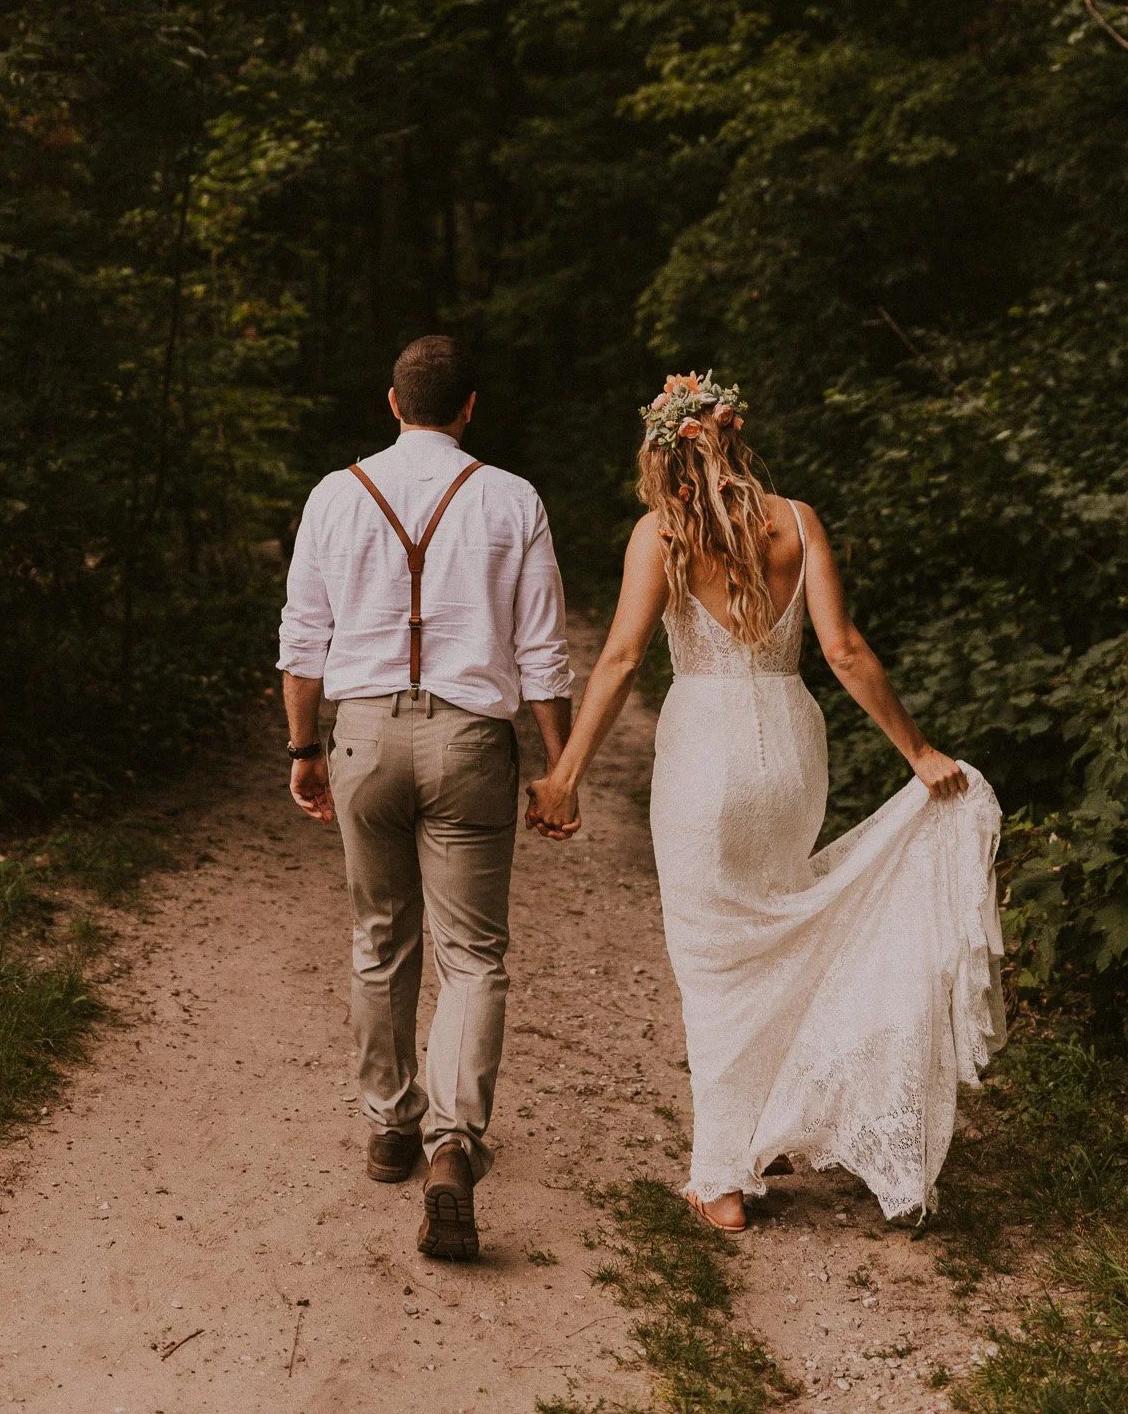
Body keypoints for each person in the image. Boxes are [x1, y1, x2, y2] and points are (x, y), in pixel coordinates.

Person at [526, 370, 1005, 1233]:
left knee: (714, 965)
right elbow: (845, 651)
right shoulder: (799, 522)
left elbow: (622, 660)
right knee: (778, 934)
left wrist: (564, 775)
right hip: (789, 750)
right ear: (734, 437)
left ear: (662, 455)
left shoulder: (660, 535)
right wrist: (919, 751)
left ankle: (720, 1176)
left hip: (702, 759)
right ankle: (766, 1128)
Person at [278, 334, 573, 1259]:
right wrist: (556, 767)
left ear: (392, 402)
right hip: (470, 742)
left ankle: (389, 1125)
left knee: (378, 936)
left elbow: (302, 638)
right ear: (470, 407)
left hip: (364, 734)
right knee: (473, 954)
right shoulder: (511, 496)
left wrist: (303, 749)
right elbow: (541, 650)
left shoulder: (336, 493)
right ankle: (453, 1144)